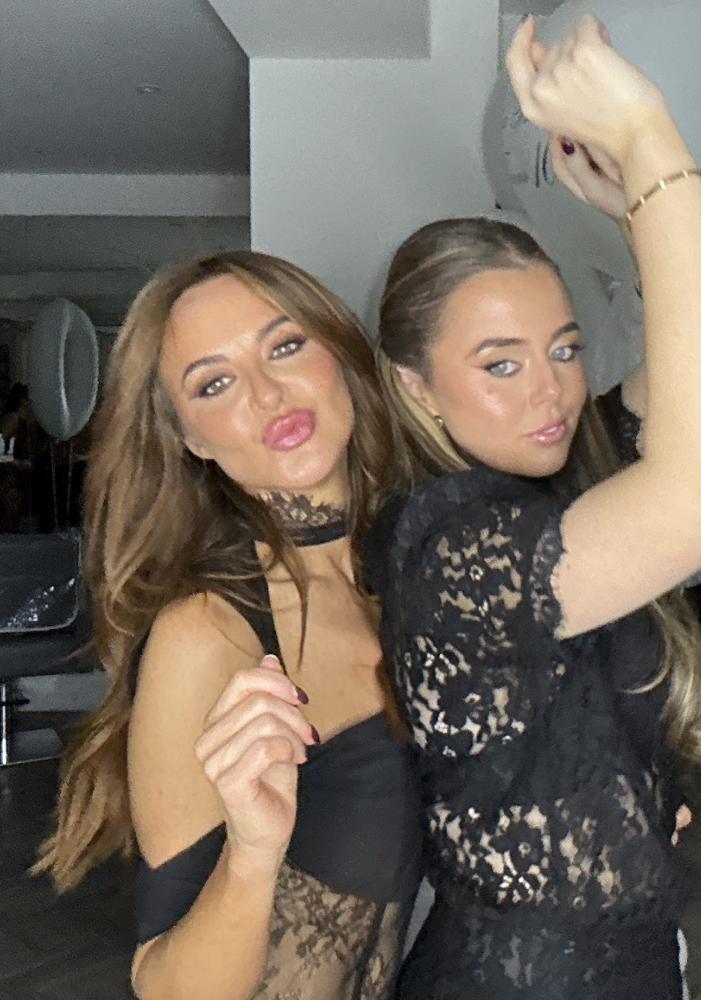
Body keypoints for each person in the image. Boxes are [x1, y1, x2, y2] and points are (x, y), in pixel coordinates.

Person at [366, 16, 701, 999]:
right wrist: (646, 136)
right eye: (499, 364)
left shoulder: (558, 479)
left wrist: (639, 221)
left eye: (563, 348)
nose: (550, 390)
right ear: (417, 387)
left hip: (629, 960)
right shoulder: (449, 547)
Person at [33, 251, 422, 1000]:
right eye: (214, 383)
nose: (268, 394)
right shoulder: (208, 634)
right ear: (192, 439)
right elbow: (165, 986)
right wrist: (251, 853)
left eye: (286, 345)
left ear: (340, 352)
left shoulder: (415, 571)